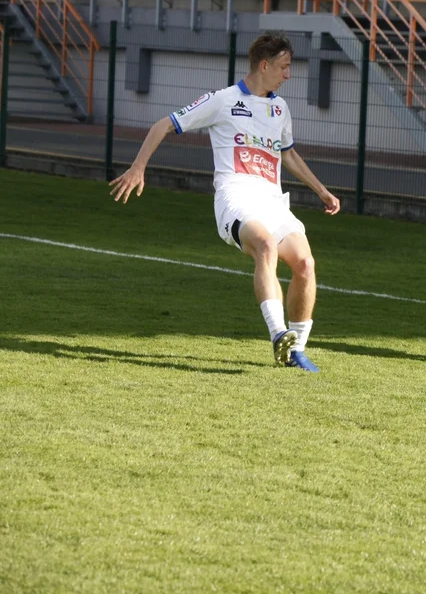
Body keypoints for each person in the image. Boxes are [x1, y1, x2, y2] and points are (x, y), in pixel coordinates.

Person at [108, 32, 341, 373]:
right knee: (265, 246)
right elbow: (163, 125)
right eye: (284, 67)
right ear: (264, 65)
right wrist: (138, 167)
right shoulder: (222, 100)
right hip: (236, 196)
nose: (288, 74)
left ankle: (296, 350)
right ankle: (279, 335)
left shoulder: (280, 108)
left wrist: (321, 190)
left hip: (273, 201)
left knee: (305, 265)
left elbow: (287, 153)